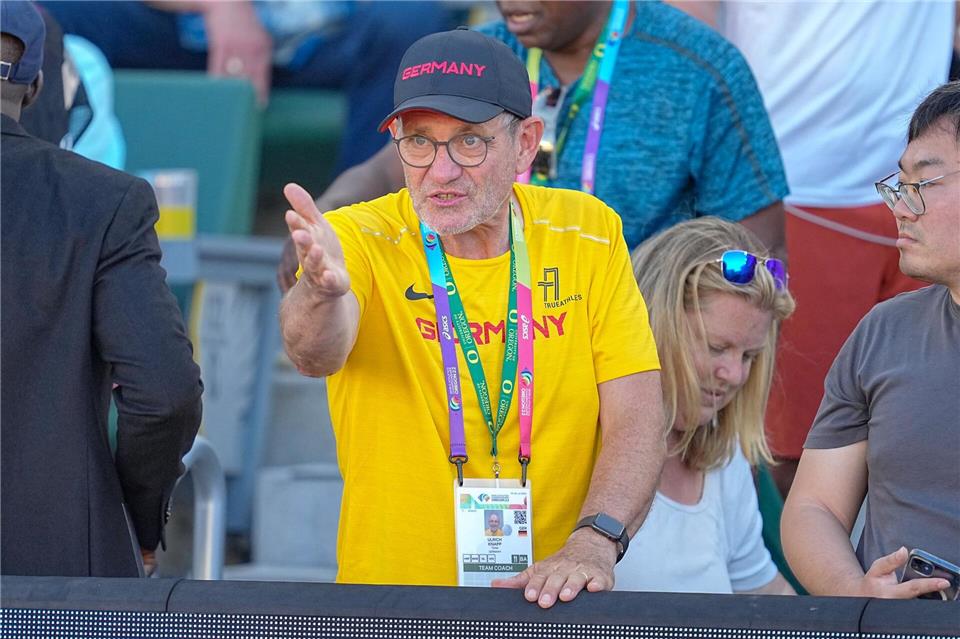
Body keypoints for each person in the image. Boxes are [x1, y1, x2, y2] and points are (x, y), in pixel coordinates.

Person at [281, 28, 665, 607]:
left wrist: (595, 542)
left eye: (468, 142)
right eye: (419, 142)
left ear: (526, 143)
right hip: (394, 608)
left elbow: (637, 414)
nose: (440, 171)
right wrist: (319, 293)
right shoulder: (359, 236)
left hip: (554, 602)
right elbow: (314, 354)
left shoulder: (588, 231)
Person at [276, 0, 788, 291]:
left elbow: (758, 249)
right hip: (489, 353)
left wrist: (663, 326)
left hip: (639, 362)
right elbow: (387, 170)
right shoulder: (477, 53)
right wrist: (327, 217)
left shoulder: (700, 68)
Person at [675, 0, 955, 497]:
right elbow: (688, 22)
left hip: (929, 178)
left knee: (926, 421)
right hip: (798, 185)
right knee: (794, 444)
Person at [0, 1, 203, 578]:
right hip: (54, 580)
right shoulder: (104, 201)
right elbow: (164, 393)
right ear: (37, 88)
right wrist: (136, 521)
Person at [781, 81, 960, 599]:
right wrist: (855, 593)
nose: (900, 207)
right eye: (899, 185)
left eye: (922, 183)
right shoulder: (883, 330)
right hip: (894, 627)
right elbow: (814, 507)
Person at [40, 0, 461, 173]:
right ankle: (52, 222)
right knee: (36, 17)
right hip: (178, 28)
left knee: (413, 22)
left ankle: (365, 233)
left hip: (324, 33)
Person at [613, 217, 795, 594]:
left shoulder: (724, 457)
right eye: (716, 348)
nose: (735, 374)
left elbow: (768, 596)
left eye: (749, 356)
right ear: (652, 324)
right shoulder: (570, 442)